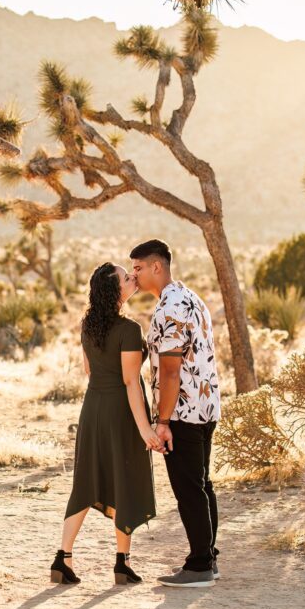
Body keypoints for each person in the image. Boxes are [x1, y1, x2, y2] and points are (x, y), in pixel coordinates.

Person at [51, 263, 163, 585]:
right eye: (126, 277)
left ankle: (63, 558)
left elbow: (88, 369)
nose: (132, 279)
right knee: (123, 479)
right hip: (119, 412)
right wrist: (145, 429)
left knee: (86, 482)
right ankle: (121, 564)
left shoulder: (88, 325)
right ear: (116, 290)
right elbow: (131, 383)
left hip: (92, 409)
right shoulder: (129, 330)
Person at [131, 239, 221, 588]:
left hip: (182, 411)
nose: (135, 276)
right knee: (201, 485)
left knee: (188, 489)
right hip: (206, 406)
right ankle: (208, 559)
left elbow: (170, 371)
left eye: (138, 268)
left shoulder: (170, 306)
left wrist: (163, 421)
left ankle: (199, 565)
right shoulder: (191, 297)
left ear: (157, 267)